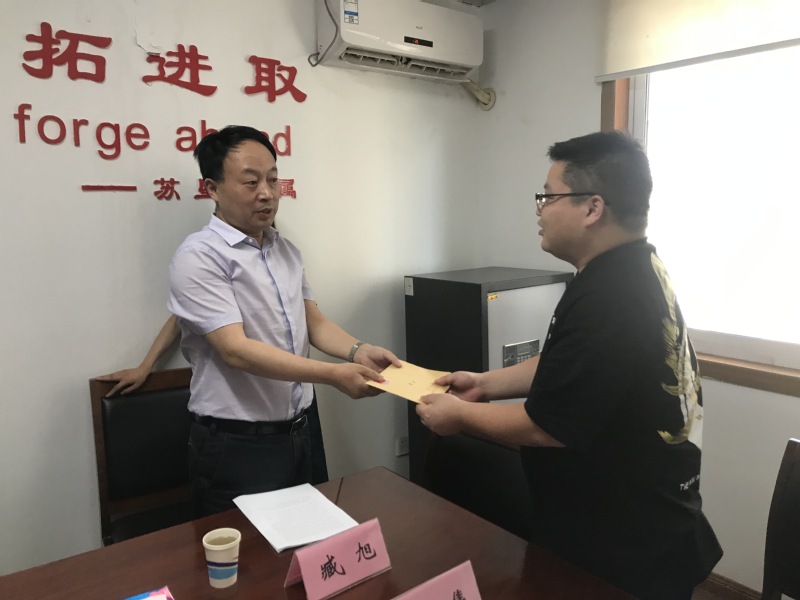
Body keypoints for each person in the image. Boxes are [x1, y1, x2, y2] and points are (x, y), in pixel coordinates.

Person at [416, 131, 722, 600]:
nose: (539, 210)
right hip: (635, 516)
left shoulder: (612, 296)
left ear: (592, 208)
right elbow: (569, 364)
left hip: (623, 544)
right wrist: (484, 383)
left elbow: (547, 427)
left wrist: (459, 416)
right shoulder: (630, 269)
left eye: (548, 196)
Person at [103, 125, 400, 516]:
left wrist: (359, 351)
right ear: (212, 188)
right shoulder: (199, 257)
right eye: (251, 182)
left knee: (312, 541)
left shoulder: (286, 251)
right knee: (246, 554)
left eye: (273, 180)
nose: (267, 193)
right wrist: (333, 375)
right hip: (238, 444)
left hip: (301, 430)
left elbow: (314, 322)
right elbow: (236, 350)